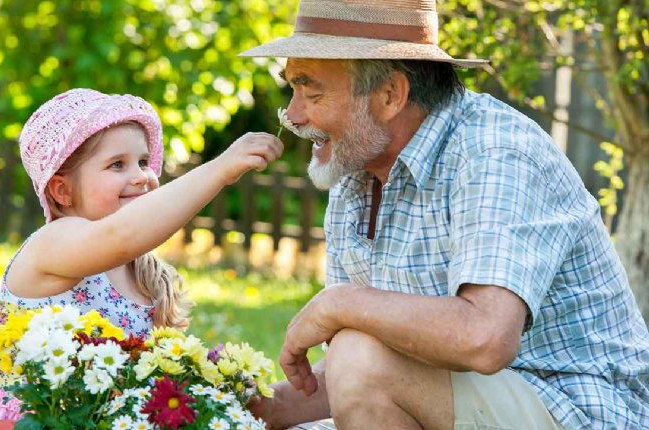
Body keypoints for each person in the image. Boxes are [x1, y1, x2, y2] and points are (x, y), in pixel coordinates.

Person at [239, 0, 649, 429]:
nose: (293, 114)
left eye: (310, 90)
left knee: (359, 355)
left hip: (577, 410)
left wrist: (340, 305)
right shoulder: (356, 174)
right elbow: (356, 380)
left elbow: (485, 339)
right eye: (292, 88)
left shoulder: (495, 152)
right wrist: (240, 407)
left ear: (390, 95)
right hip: (471, 406)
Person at [0, 88, 283, 419]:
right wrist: (221, 169)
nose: (142, 176)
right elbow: (121, 236)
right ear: (62, 191)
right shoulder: (54, 243)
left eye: (143, 162)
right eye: (117, 165)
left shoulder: (143, 273)